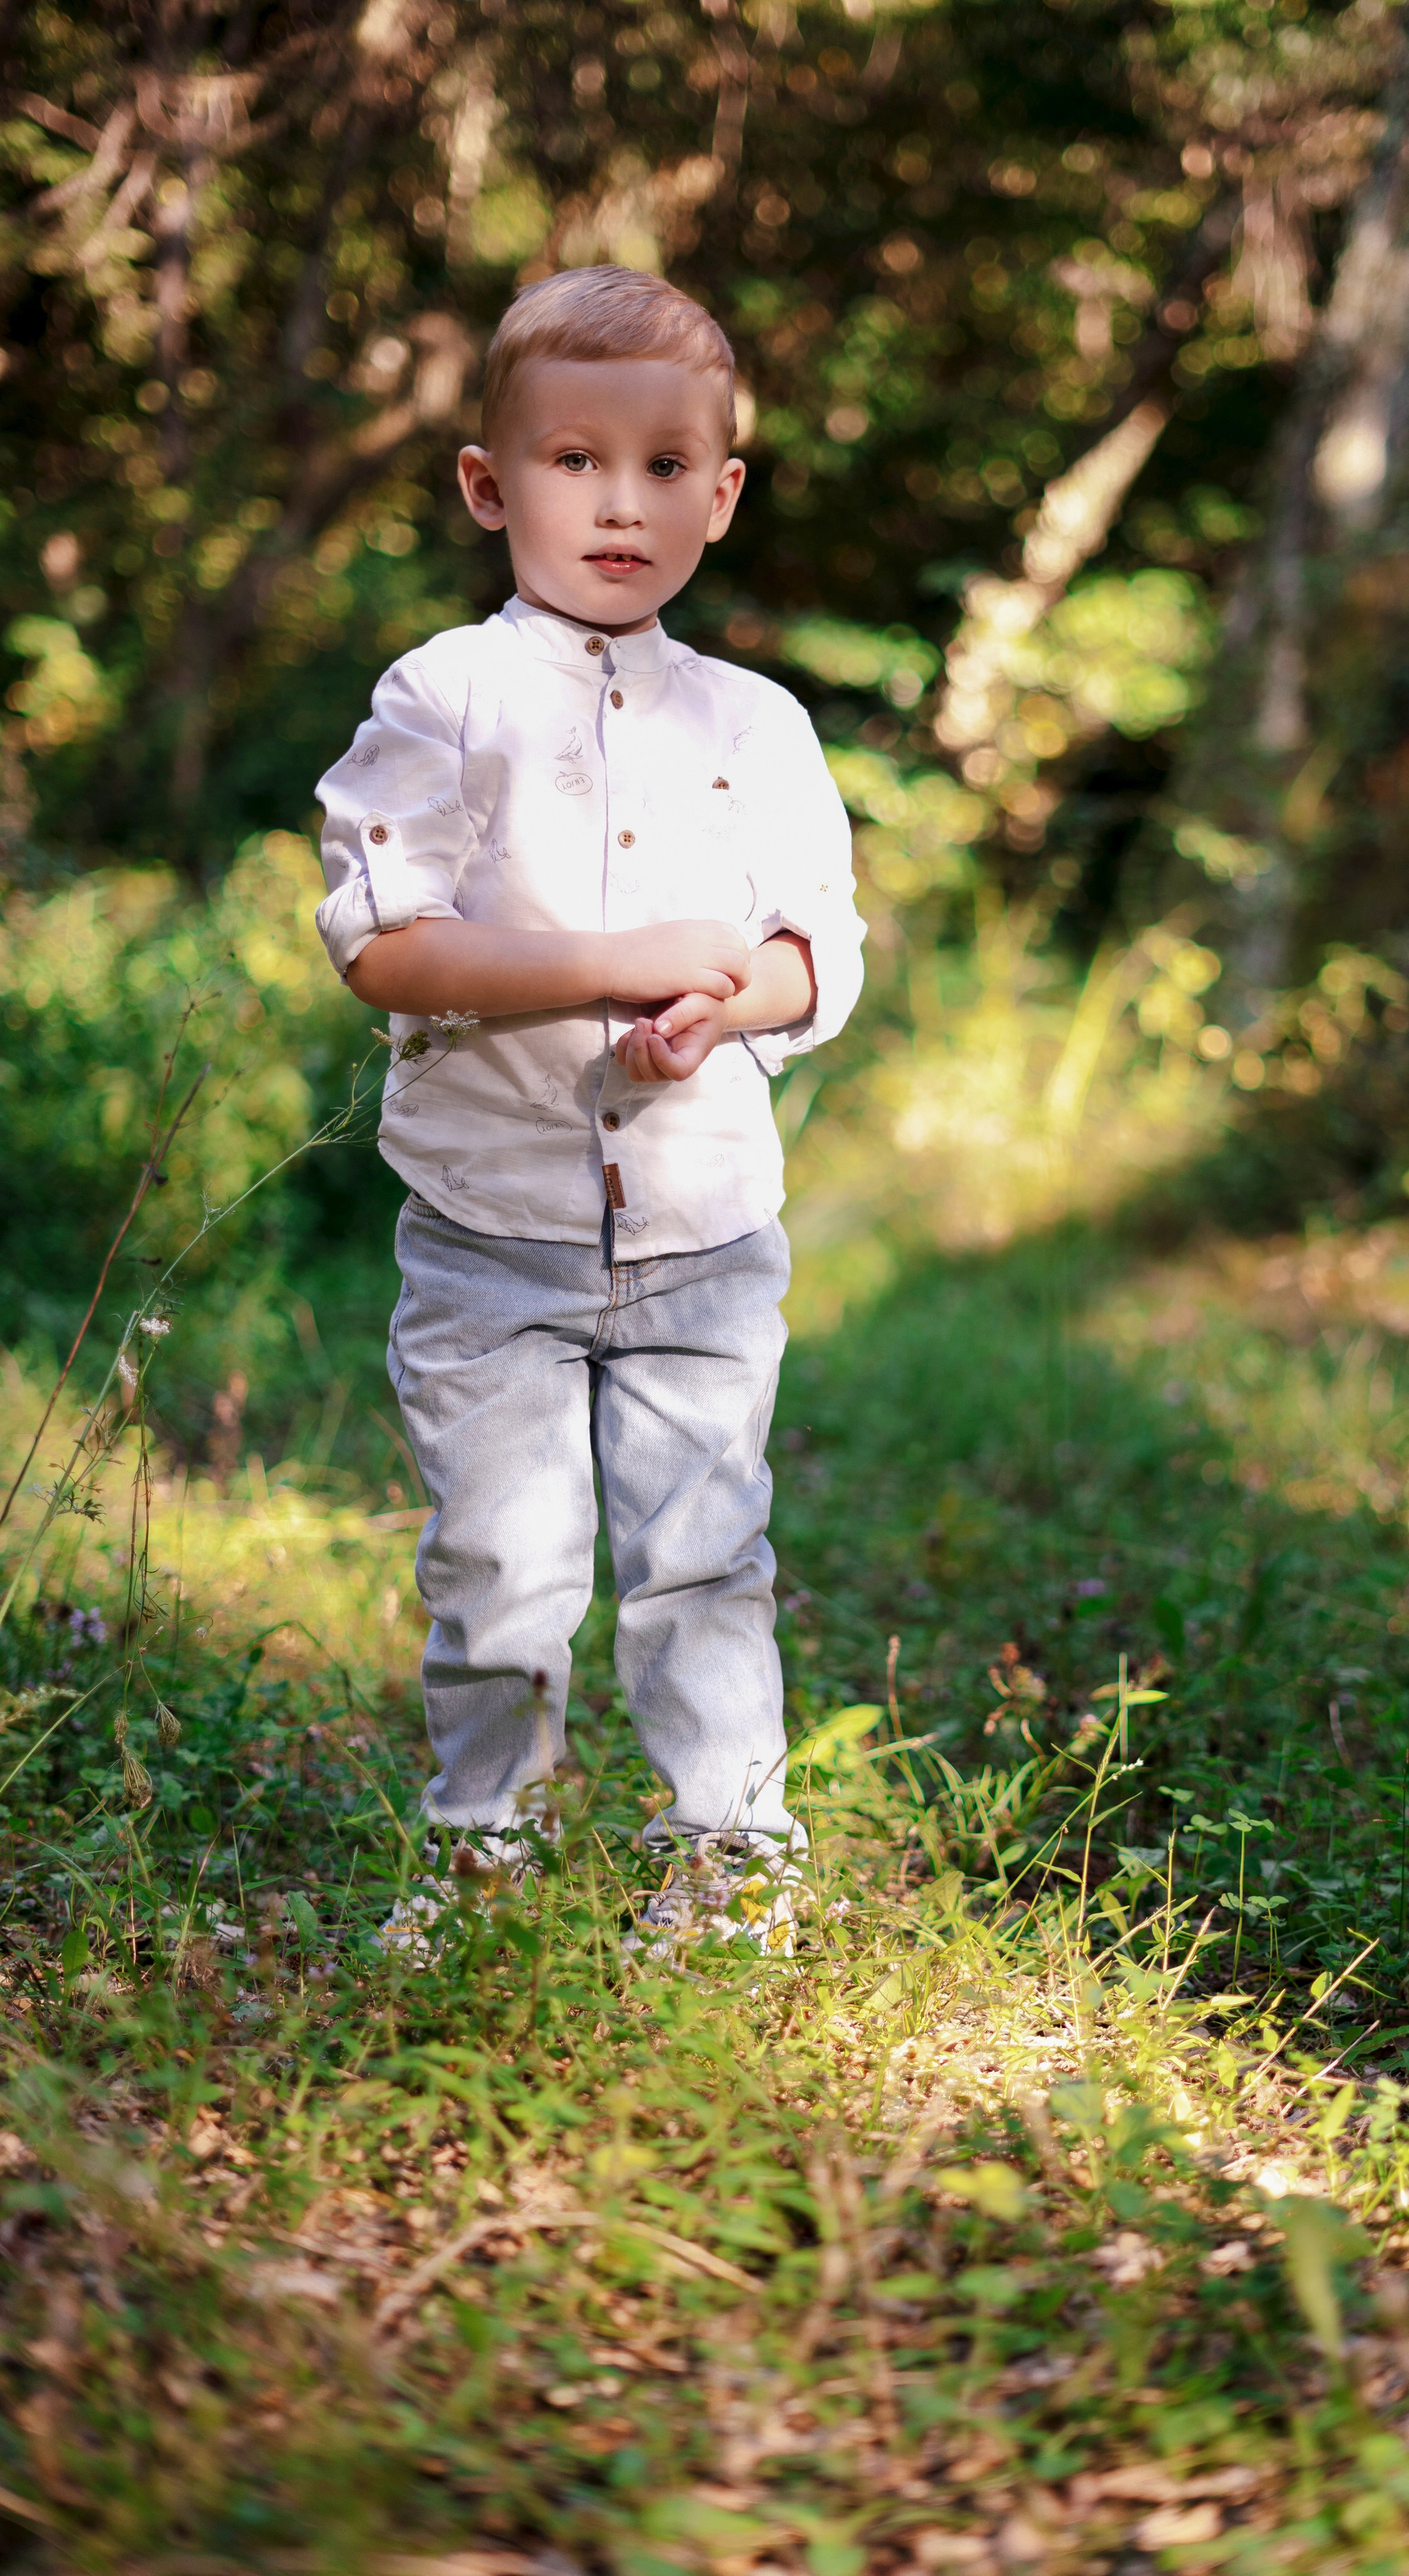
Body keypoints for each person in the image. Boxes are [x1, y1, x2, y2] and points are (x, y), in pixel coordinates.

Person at [313, 265, 864, 1947]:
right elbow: (385, 948)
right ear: (491, 486)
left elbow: (815, 953)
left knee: (707, 1555)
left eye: (664, 464)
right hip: (494, 1236)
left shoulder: (754, 722)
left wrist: (723, 1000)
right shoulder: (442, 698)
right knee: (502, 1567)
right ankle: (486, 1853)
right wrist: (616, 962)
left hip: (705, 1233)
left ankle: (726, 1861)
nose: (620, 502)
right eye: (572, 460)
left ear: (721, 492)